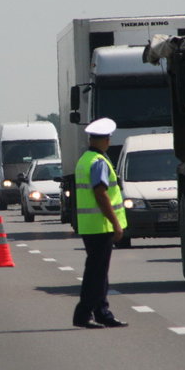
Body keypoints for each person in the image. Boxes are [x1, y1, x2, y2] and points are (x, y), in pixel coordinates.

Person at [72, 117, 129, 329]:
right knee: (95, 275)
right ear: (104, 140)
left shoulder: (85, 159)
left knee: (99, 273)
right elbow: (101, 194)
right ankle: (83, 315)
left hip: (91, 225)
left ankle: (102, 313)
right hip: (100, 226)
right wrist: (115, 223)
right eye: (108, 139)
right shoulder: (98, 162)